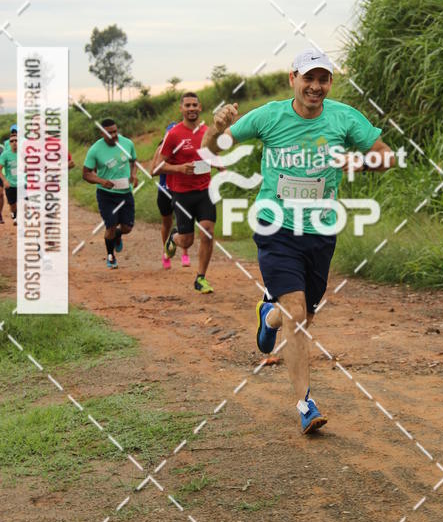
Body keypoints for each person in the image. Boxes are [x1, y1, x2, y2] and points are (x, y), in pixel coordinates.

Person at [202, 49, 396, 434]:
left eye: (323, 79)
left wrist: (362, 163)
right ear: (293, 79)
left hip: (321, 231)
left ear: (330, 83)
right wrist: (216, 127)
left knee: (302, 314)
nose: (315, 86)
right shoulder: (269, 116)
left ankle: (267, 316)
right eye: (308, 78)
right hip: (275, 226)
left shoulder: (344, 118)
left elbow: (387, 156)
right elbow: (213, 149)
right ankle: (305, 404)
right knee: (296, 312)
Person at [158, 92, 217, 292]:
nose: (191, 108)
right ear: (181, 109)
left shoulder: (207, 132)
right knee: (187, 241)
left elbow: (210, 157)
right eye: (187, 105)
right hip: (182, 194)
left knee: (208, 232)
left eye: (194, 105)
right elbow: (157, 167)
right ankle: (174, 237)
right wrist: (180, 168)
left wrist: (219, 165)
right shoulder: (174, 134)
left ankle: (201, 278)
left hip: (205, 190)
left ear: (200, 108)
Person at [82, 118, 138, 269]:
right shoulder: (95, 150)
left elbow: (133, 161)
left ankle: (118, 235)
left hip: (125, 193)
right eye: (109, 133)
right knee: (111, 225)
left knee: (127, 228)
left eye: (115, 131)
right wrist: (101, 181)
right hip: (106, 194)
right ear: (102, 133)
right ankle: (110, 256)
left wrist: (133, 175)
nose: (114, 135)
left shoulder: (127, 143)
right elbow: (86, 173)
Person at [150, 121, 191, 270]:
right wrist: (173, 168)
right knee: (167, 223)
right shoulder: (161, 149)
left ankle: (185, 254)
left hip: (181, 190)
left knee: (183, 222)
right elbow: (152, 172)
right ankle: (166, 252)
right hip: (165, 191)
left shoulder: (185, 149)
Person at [0, 133, 20, 224]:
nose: (14, 142)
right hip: (10, 183)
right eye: (12, 141)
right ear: (9, 143)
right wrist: (5, 181)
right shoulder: (5, 155)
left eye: (16, 140)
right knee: (13, 205)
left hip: (22, 183)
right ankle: (14, 215)